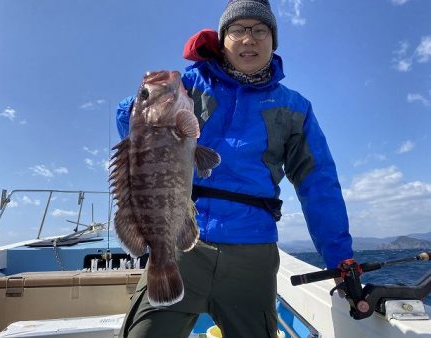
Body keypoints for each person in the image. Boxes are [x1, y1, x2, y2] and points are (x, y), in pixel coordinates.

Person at [116, 0, 353, 337]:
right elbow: (129, 127)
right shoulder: (187, 87)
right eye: (237, 30)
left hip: (252, 251)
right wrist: (150, 94)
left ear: (273, 41)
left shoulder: (294, 107)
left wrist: (339, 257)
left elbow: (319, 184)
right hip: (182, 244)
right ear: (221, 39)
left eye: (260, 30)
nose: (249, 39)